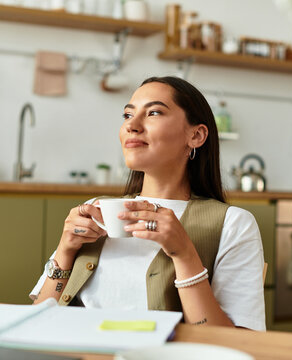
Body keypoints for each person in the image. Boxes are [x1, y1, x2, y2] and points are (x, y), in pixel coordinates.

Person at [30, 76, 265, 330]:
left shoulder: (233, 224)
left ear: (196, 135)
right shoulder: (95, 210)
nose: (133, 125)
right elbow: (35, 322)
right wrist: (65, 251)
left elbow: (233, 345)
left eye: (153, 112)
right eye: (127, 115)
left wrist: (184, 253)